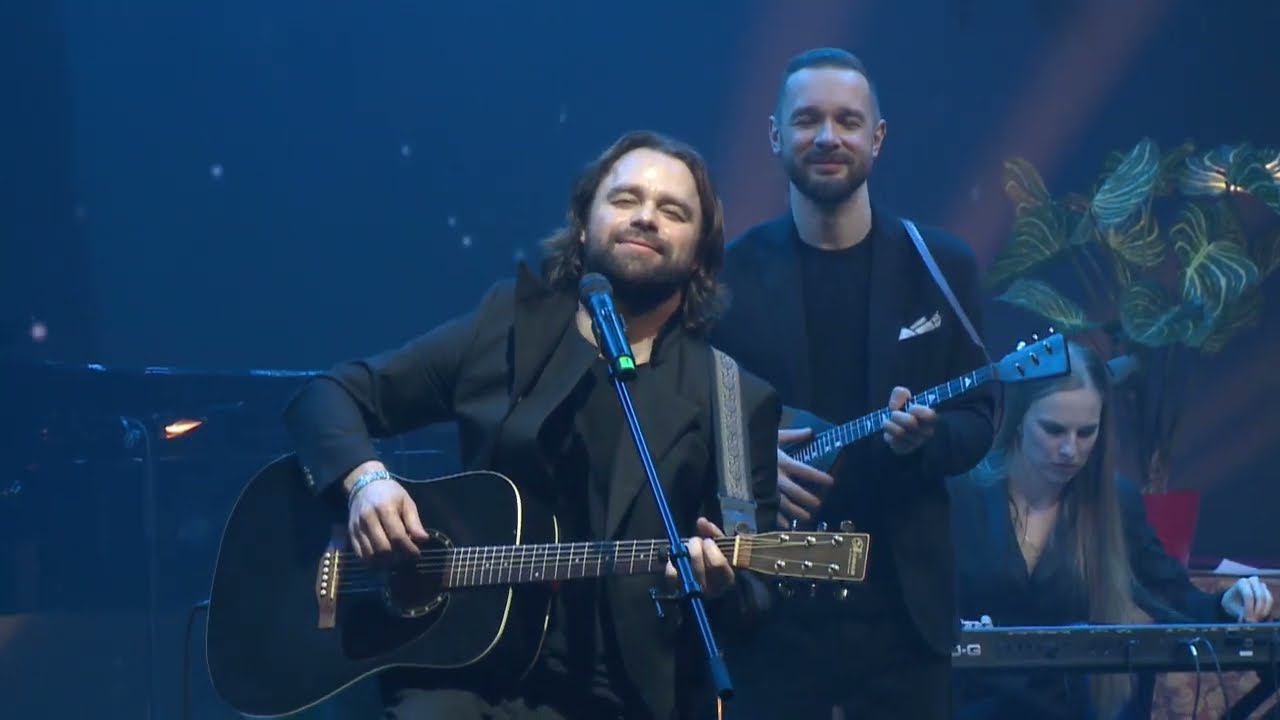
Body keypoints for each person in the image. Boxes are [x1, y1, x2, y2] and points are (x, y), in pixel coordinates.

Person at [283, 130, 782, 720]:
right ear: (584, 225)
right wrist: (365, 481)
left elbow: (754, 595)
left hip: (621, 698)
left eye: (672, 211)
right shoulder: (507, 326)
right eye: (625, 199)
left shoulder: (732, 397)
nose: (646, 217)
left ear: (699, 253)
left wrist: (720, 585)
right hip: (460, 673)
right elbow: (327, 397)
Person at [711, 48, 995, 719]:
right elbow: (693, 422)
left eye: (847, 120)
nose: (828, 137)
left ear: (878, 137)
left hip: (904, 617)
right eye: (807, 119)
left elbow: (981, 416)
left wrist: (927, 438)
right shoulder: (726, 278)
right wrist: (747, 469)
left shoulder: (940, 265)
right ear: (775, 135)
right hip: (770, 615)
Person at [949, 340, 1274, 719]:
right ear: (1019, 420)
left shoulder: (1115, 502)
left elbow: (1171, 596)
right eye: (1054, 430)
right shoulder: (962, 493)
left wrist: (1227, 605)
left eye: (1086, 432)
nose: (1070, 450)